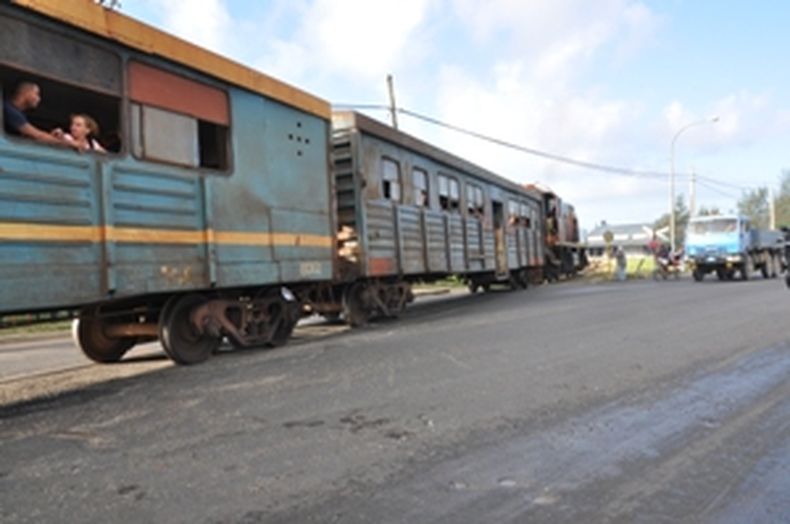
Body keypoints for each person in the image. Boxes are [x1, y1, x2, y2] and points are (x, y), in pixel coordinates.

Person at [3, 82, 80, 150]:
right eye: (36, 94)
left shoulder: (17, 112)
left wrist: (51, 136)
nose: (38, 99)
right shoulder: (10, 110)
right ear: (26, 93)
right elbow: (37, 135)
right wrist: (70, 143)